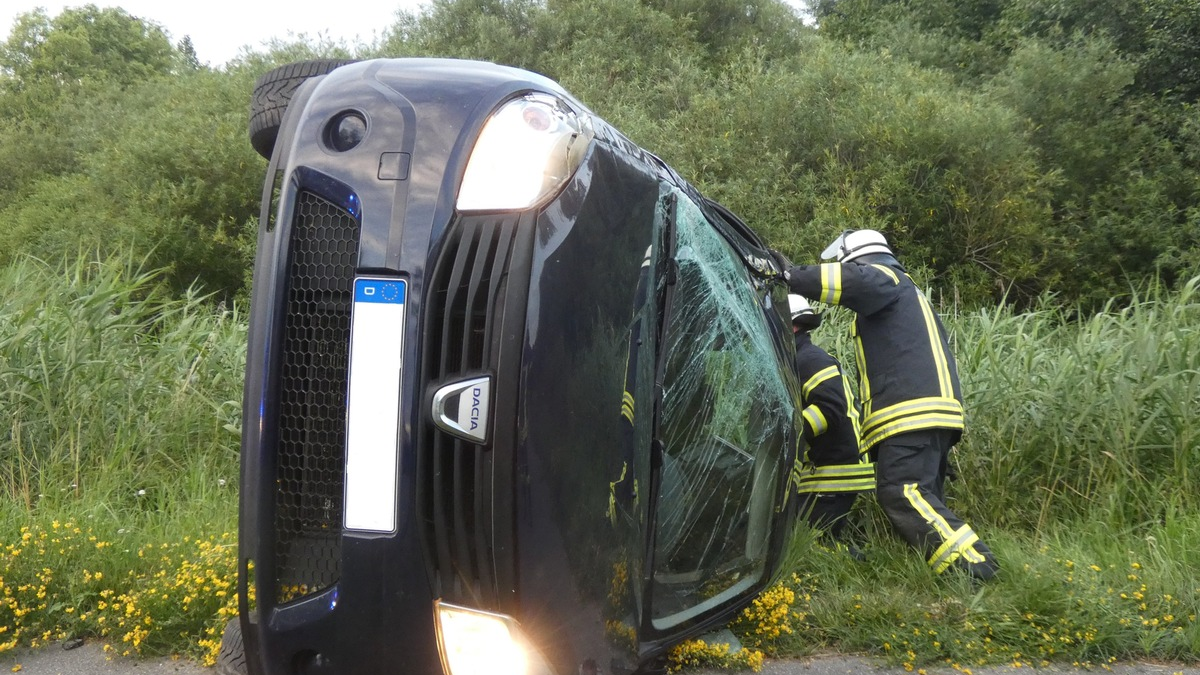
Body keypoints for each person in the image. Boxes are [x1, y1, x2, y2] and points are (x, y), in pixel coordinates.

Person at [779, 230, 999, 582]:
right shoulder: (905, 292)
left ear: (859, 260)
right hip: (929, 411)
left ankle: (977, 570)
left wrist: (787, 275)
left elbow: (851, 281)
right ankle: (957, 577)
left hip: (912, 412)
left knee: (903, 492)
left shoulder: (887, 278)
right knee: (924, 498)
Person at [787, 294, 874, 548]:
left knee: (817, 542)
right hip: (826, 471)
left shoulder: (810, 360)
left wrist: (788, 433)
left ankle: (854, 569)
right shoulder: (800, 359)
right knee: (814, 537)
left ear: (792, 326)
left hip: (837, 472)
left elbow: (831, 410)